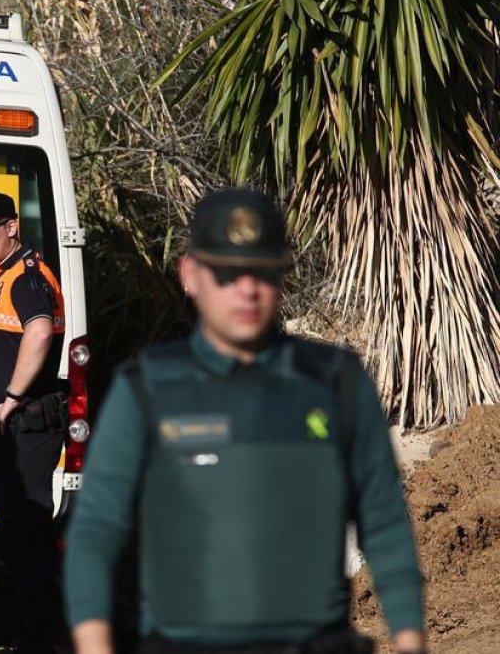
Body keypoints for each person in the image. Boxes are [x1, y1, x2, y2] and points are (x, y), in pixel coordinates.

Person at [64, 188, 426, 654]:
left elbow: (384, 522)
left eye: (262, 271)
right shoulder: (146, 390)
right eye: (228, 272)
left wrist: (411, 640)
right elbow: (95, 533)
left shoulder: (336, 383)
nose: (247, 289)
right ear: (190, 275)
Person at [0, 192, 69, 653]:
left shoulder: (25, 277)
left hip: (24, 426)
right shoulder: (0, 277)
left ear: (11, 227)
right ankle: (29, 637)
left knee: (27, 540)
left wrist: (10, 397)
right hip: (8, 431)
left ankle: (42, 640)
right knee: (14, 539)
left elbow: (40, 330)